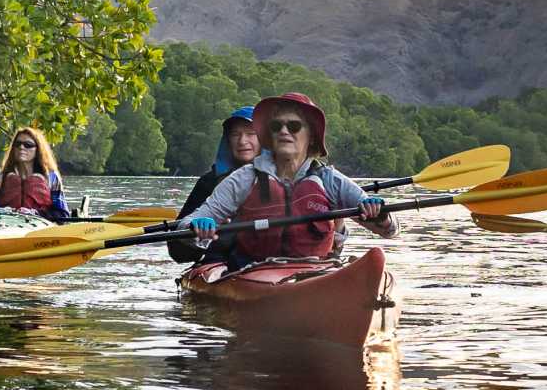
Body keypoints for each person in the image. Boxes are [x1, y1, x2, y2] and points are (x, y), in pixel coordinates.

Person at [180, 92, 395, 269]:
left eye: (293, 126)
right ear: (270, 136)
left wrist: (380, 215)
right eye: (276, 126)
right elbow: (186, 225)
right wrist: (196, 226)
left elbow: (390, 230)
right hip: (253, 272)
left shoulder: (330, 180)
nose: (284, 131)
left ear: (311, 136)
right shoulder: (245, 178)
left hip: (314, 271)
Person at [168, 106, 259, 263]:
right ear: (227, 140)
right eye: (235, 134)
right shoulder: (208, 182)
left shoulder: (280, 178)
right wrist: (195, 233)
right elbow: (177, 253)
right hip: (220, 263)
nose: (242, 141)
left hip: (266, 261)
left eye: (251, 134)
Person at [0, 126, 72, 220]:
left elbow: (63, 214)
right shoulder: (2, 178)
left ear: (38, 149)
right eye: (17, 144)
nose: (21, 147)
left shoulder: (52, 177)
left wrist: (35, 213)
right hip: (6, 224)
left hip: (41, 225)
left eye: (28, 145)